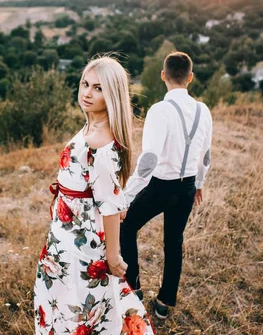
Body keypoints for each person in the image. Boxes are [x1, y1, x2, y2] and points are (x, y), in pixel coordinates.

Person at [34, 56, 155, 335]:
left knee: (79, 313)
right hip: (67, 234)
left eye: (98, 88)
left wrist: (113, 257)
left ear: (111, 94)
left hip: (81, 247)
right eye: (85, 84)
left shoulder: (99, 141)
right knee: (69, 307)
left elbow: (110, 206)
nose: (87, 93)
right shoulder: (92, 126)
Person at [120, 51, 213, 319]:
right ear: (190, 78)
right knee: (174, 242)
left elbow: (149, 159)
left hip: (160, 186)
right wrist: (199, 183)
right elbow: (205, 156)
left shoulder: (159, 110)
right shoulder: (203, 111)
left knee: (126, 226)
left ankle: (133, 289)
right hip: (185, 189)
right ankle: (164, 303)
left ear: (163, 75)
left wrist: (127, 196)